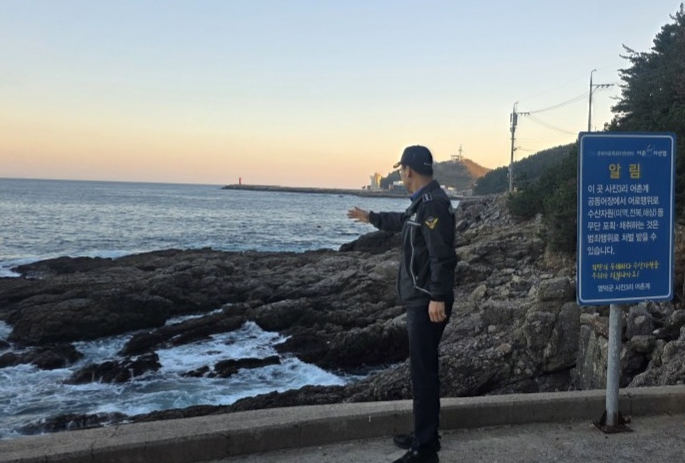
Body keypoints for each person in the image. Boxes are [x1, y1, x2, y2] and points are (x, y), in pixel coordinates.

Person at [347, 145, 456, 463]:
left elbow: (442, 255)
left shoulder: (432, 205)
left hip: (426, 300)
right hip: (423, 297)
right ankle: (425, 434)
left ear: (408, 170)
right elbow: (402, 222)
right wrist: (372, 218)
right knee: (423, 370)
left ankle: (425, 449)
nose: (400, 174)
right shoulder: (422, 203)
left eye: (401, 169)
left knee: (423, 374)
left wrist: (437, 296)